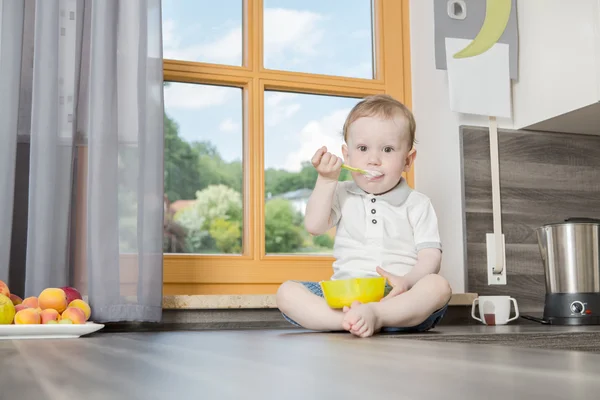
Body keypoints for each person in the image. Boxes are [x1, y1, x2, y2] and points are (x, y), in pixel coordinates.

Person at [276, 94, 452, 338]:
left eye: (388, 149)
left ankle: (378, 315)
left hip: (399, 296)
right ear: (347, 156)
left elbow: (430, 256)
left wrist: (407, 281)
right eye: (362, 148)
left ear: (407, 160)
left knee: (438, 286)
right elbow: (315, 226)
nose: (373, 159)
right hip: (345, 295)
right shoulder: (340, 192)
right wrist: (326, 180)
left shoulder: (418, 203)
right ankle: (348, 320)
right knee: (287, 292)